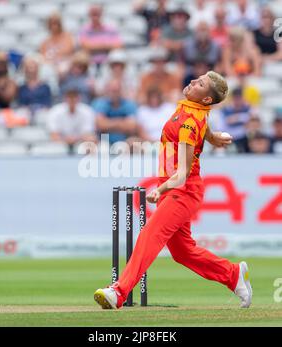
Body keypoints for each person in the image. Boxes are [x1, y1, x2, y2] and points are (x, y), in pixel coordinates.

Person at [94, 71, 252, 310]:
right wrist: (211, 137)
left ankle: (119, 292)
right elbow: (201, 121)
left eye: (200, 84)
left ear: (206, 99)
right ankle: (232, 274)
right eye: (198, 78)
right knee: (183, 252)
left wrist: (161, 189)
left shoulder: (190, 120)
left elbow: (182, 173)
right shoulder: (192, 108)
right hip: (177, 188)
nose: (192, 81)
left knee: (150, 234)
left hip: (182, 189)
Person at [92, 79, 137, 145]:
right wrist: (121, 122)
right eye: (112, 91)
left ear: (121, 91)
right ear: (107, 91)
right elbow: (100, 124)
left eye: (117, 91)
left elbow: (131, 126)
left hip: (125, 140)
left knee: (134, 143)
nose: (114, 94)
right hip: (104, 140)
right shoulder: (100, 103)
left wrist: (108, 122)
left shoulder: (129, 104)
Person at [220, 87, 252, 153]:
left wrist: (236, 118)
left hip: (243, 138)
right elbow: (223, 124)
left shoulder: (248, 108)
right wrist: (242, 118)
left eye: (239, 98)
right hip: (229, 137)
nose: (238, 101)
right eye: (236, 98)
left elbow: (251, 122)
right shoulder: (225, 110)